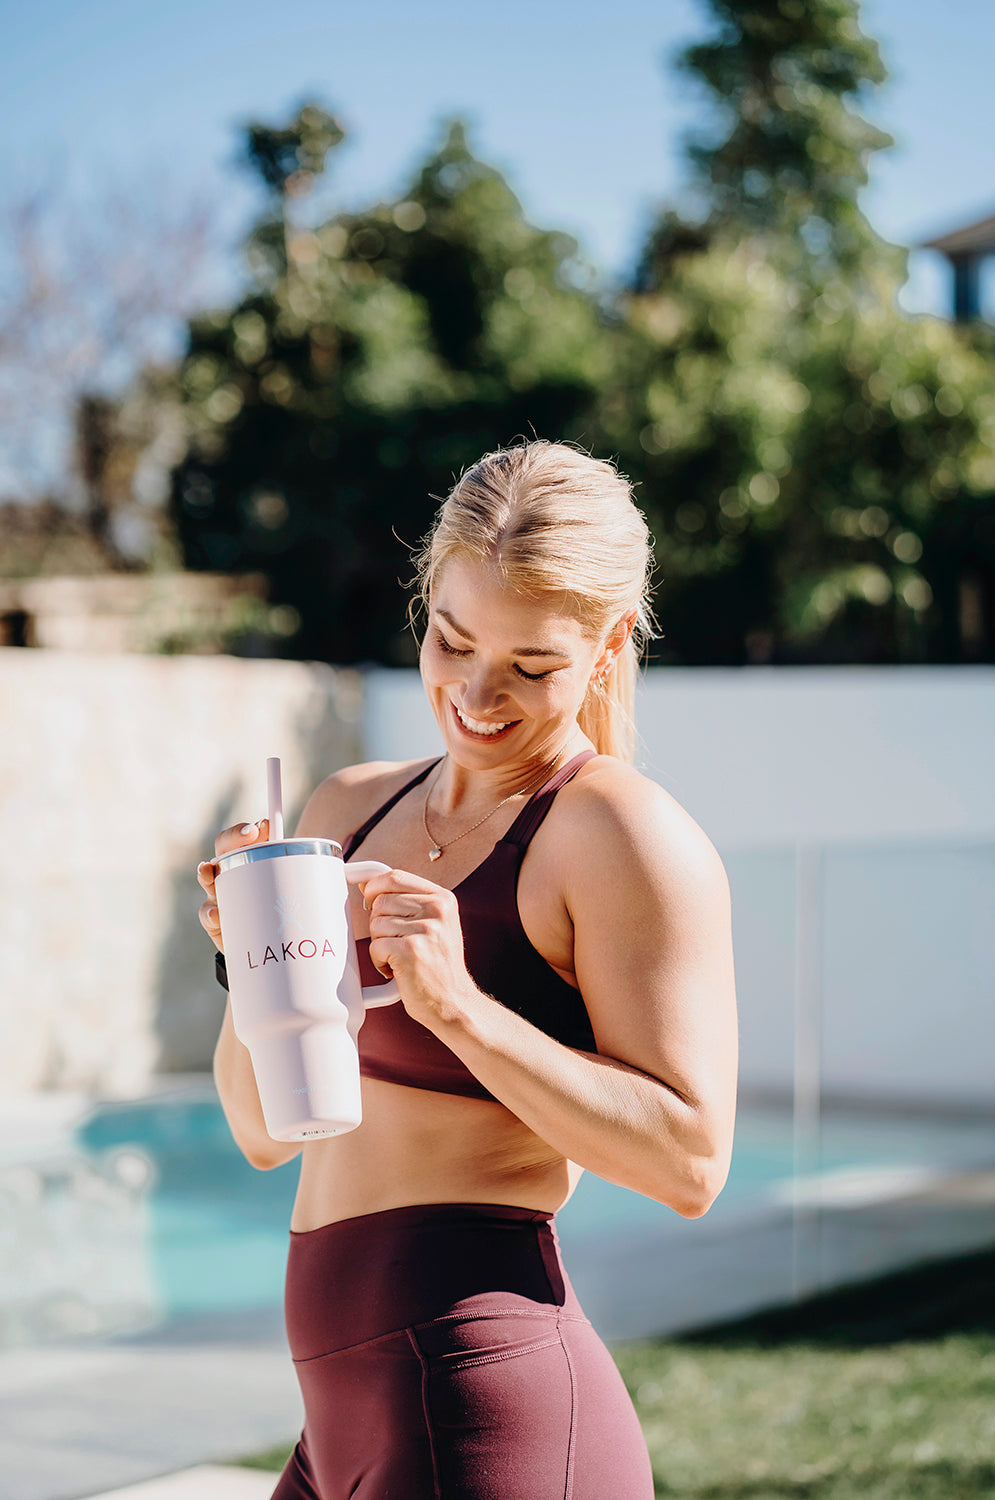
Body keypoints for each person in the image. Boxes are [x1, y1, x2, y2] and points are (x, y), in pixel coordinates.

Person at [197, 439, 738, 1499]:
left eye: (530, 667)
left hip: (483, 1408)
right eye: (451, 642)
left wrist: (458, 1010)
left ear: (606, 643)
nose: (477, 694)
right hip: (347, 1420)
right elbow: (261, 1135)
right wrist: (248, 958)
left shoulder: (616, 835)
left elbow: (690, 1162)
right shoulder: (350, 808)